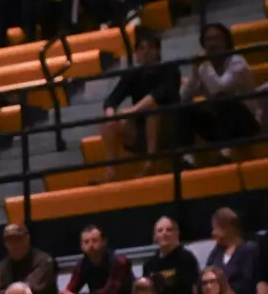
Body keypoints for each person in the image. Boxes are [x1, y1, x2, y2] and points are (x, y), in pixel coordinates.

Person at [99, 28, 180, 182]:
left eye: (150, 48)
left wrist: (134, 110)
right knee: (108, 121)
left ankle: (150, 165)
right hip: (141, 129)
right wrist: (111, 114)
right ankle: (110, 171)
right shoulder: (133, 74)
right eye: (141, 48)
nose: (145, 52)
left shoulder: (169, 69)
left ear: (158, 51)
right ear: (136, 53)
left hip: (171, 126)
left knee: (152, 109)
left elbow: (159, 94)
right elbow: (112, 99)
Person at [180, 23, 263, 159]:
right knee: (184, 108)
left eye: (217, 38)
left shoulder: (237, 62)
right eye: (208, 39)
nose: (212, 43)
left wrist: (205, 65)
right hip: (219, 125)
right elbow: (184, 96)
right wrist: (195, 71)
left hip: (246, 124)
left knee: (224, 100)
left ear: (226, 42)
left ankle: (225, 155)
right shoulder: (203, 67)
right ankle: (187, 159)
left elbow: (219, 89)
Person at [203, 208, 268, 294]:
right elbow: (206, 273)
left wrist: (227, 291)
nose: (213, 233)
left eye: (216, 228)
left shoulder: (249, 249)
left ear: (227, 228)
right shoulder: (216, 252)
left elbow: (248, 282)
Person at [144, 215, 201, 294]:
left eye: (169, 230)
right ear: (155, 236)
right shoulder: (149, 264)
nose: (164, 233)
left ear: (176, 234)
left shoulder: (186, 258)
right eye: (160, 230)